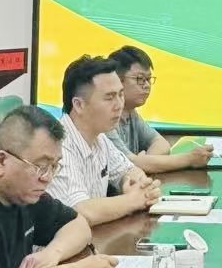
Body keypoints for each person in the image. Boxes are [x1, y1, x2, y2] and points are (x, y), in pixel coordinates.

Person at [0, 104, 118, 268]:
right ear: (1, 162)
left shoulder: (23, 193)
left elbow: (78, 224)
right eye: (40, 166)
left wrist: (52, 253)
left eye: (54, 166)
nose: (47, 178)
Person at [48, 54, 162, 223]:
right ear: (79, 105)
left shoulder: (100, 137)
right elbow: (80, 212)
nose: (119, 105)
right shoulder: (58, 146)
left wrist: (135, 184)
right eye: (109, 97)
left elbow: (128, 170)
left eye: (121, 95)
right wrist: (133, 200)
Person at [108, 44, 214, 174]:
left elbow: (161, 143)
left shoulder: (131, 113)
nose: (147, 85)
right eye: (140, 79)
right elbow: (128, 164)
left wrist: (146, 162)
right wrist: (189, 159)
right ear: (118, 81)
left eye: (148, 79)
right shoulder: (105, 119)